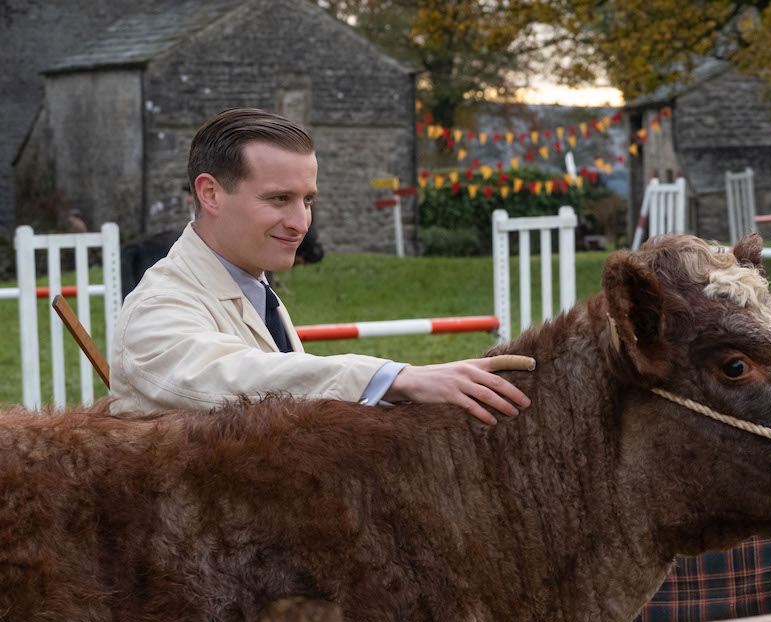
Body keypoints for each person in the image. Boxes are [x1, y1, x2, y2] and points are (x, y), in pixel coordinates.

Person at [110, 107, 530, 423]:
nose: (300, 223)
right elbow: (233, 380)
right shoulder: (158, 306)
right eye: (279, 199)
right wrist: (396, 378)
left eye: (307, 199)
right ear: (211, 194)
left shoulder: (250, 289)